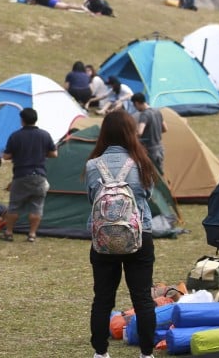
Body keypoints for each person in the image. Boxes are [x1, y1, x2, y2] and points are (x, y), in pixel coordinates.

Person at [85, 110, 157, 358]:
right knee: (142, 298)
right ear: (130, 133)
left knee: (103, 298)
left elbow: (92, 198)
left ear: (104, 133)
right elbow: (148, 196)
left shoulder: (93, 165)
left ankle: (100, 352)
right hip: (139, 236)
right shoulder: (142, 162)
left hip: (103, 240)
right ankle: (146, 353)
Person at [0, 107, 58, 242]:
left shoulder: (15, 136)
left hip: (21, 175)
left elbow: (6, 156)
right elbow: (54, 153)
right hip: (39, 176)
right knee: (36, 206)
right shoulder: (45, 135)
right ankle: (32, 234)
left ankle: (8, 233)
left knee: (14, 205)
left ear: (22, 120)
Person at [132, 93, 167, 174]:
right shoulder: (157, 111)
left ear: (137, 103)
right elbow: (165, 129)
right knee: (160, 173)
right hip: (160, 148)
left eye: (134, 105)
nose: (135, 108)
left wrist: (131, 136)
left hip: (150, 150)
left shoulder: (144, 114)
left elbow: (140, 132)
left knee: (150, 174)